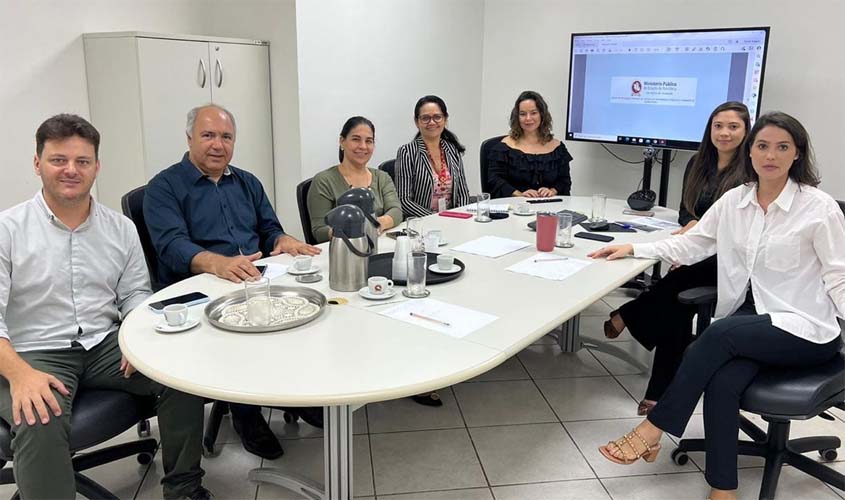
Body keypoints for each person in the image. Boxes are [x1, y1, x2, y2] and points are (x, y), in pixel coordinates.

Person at [589, 112, 845, 500]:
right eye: (763, 146)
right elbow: (692, 244)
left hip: (806, 327)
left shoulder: (818, 208)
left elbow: (839, 276)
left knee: (716, 334)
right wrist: (634, 248)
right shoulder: (735, 201)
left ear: (797, 153)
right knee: (723, 382)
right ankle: (723, 489)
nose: (770, 155)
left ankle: (654, 428)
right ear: (750, 151)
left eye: (782, 147)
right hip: (751, 320)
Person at [0, 114, 210, 500]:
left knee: (180, 374)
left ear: (96, 167)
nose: (71, 169)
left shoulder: (120, 228)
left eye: (82, 161)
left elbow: (134, 295)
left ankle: (183, 489)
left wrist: (134, 340)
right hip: (33, 352)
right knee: (39, 415)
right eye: (58, 160)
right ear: (37, 163)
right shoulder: (7, 230)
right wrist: (20, 375)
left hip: (103, 343)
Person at [144, 104, 322, 460]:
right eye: (208, 135)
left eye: (226, 137)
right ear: (189, 138)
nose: (218, 145)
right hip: (200, 287)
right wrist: (218, 263)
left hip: (256, 278)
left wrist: (283, 239)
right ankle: (246, 413)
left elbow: (268, 228)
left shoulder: (247, 182)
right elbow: (171, 245)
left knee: (310, 309)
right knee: (241, 334)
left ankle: (296, 393)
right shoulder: (163, 187)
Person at [603, 102, 751, 415]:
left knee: (679, 283)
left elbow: (739, 227)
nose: (724, 133)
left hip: (729, 257)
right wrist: (692, 224)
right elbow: (685, 208)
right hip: (697, 248)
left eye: (733, 127)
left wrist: (695, 242)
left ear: (746, 131)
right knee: (677, 305)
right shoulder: (698, 162)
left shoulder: (750, 172)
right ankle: (659, 391)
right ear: (709, 129)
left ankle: (629, 314)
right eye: (718, 126)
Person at [308, 116, 403, 243]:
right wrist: (353, 232)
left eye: (369, 141)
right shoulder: (323, 181)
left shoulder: (382, 177)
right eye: (356, 139)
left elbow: (396, 211)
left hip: (380, 244)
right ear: (342, 141)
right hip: (343, 249)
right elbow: (319, 231)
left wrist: (377, 224)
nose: (363, 146)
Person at [486, 90, 573, 199]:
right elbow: (495, 180)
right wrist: (519, 194)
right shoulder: (503, 149)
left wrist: (552, 191)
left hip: (549, 205)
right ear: (517, 117)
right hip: (515, 205)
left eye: (533, 113)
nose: (528, 118)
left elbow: (565, 181)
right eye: (523, 114)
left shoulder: (557, 148)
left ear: (542, 115)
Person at [395, 95, 472, 218]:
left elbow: (462, 193)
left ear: (445, 119)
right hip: (422, 222)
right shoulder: (407, 152)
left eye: (437, 117)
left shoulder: (452, 149)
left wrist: (461, 217)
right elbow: (404, 200)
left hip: (453, 220)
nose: (431, 122)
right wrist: (434, 219)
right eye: (425, 118)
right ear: (416, 122)